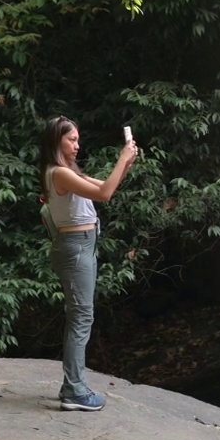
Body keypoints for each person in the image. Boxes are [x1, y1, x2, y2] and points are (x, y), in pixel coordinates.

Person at [39, 116, 139, 411]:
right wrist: (121, 158)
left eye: (78, 139)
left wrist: (127, 162)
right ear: (56, 141)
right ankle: (74, 390)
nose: (77, 145)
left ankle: (73, 386)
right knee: (81, 318)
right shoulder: (58, 172)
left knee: (81, 316)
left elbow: (107, 185)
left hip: (82, 245)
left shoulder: (68, 171)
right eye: (72, 139)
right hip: (75, 248)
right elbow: (105, 194)